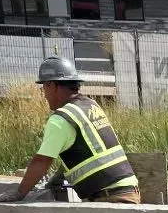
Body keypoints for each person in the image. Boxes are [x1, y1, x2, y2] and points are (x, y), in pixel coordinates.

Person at [14, 56, 140, 203]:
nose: (44, 96)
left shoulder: (61, 119)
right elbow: (87, 152)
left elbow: (41, 162)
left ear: (51, 85)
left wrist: (18, 194)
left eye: (44, 89)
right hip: (128, 192)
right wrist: (61, 175)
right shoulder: (90, 106)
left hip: (110, 198)